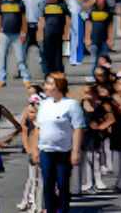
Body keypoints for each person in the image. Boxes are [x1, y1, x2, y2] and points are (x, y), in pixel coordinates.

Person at [34, 73, 83, 213]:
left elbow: (78, 128)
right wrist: (35, 150)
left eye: (50, 84)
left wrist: (75, 151)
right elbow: (38, 128)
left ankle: (63, 210)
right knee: (48, 185)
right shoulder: (44, 104)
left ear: (59, 86)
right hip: (46, 151)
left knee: (62, 184)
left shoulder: (71, 105)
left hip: (63, 152)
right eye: (46, 83)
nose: (46, 86)